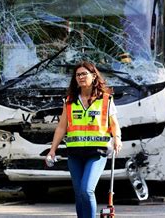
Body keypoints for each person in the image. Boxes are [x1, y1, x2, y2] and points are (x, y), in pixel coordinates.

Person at [47, 61, 122, 218]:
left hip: (97, 152)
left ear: (94, 76)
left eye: (84, 74)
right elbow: (61, 127)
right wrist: (52, 150)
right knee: (79, 193)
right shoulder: (70, 101)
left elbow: (114, 124)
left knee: (86, 190)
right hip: (75, 154)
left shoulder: (106, 99)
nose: (80, 77)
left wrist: (117, 138)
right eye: (77, 75)